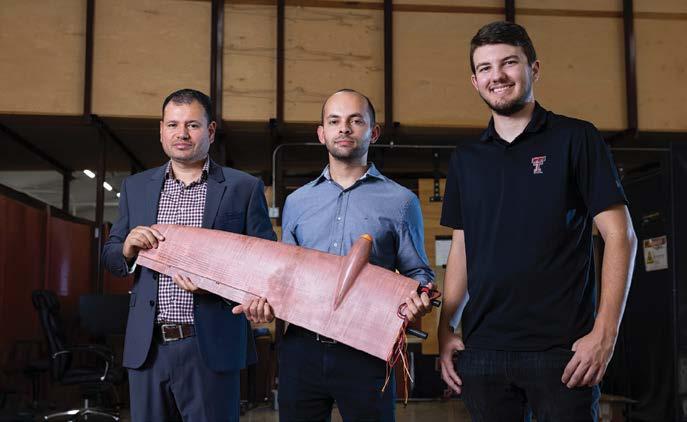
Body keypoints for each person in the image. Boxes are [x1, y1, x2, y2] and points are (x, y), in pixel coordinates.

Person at [437, 22, 637, 421]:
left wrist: (605, 333)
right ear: (475, 81)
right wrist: (446, 329)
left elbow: (621, 236)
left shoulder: (577, 138)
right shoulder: (466, 159)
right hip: (483, 352)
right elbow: (462, 246)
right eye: (485, 68)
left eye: (509, 62)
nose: (497, 75)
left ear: (534, 68)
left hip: (563, 353)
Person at [239, 88, 435, 421]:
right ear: (322, 133)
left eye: (355, 121)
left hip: (368, 349)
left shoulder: (402, 202)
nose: (344, 128)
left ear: (374, 132)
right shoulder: (297, 203)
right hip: (301, 349)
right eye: (334, 121)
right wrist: (263, 303)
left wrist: (421, 297)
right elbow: (284, 276)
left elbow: (419, 273)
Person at [102, 88, 276, 421]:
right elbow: (110, 256)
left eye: (192, 125)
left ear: (210, 131)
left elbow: (265, 265)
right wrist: (126, 249)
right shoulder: (135, 187)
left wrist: (214, 285)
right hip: (149, 348)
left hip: (210, 346)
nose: (181, 134)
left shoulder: (243, 187)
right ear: (161, 130)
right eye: (173, 125)